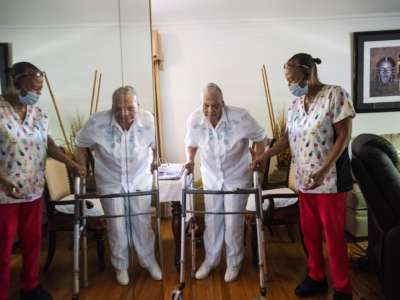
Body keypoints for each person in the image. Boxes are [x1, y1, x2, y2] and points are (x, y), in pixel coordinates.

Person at [252, 53, 355, 300]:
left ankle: (343, 288)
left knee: (333, 238)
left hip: (329, 181)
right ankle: (316, 277)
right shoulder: (295, 105)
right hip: (304, 182)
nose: (290, 85)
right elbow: (287, 139)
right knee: (309, 234)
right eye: (287, 81)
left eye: (292, 79)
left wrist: (323, 169)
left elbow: (344, 136)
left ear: (309, 73)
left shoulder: (335, 95)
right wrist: (264, 155)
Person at [0, 62, 85, 300]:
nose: (37, 93)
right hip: (4, 194)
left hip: (33, 190)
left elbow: (48, 145)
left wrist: (72, 163)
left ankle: (30, 286)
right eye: (33, 88)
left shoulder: (38, 114)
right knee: (3, 249)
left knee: (33, 241)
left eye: (40, 89)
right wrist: (3, 180)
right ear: (16, 83)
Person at [75, 86, 161, 285]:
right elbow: (80, 142)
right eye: (118, 108)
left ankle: (149, 262)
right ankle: (121, 266)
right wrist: (81, 166)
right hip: (110, 180)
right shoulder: (97, 121)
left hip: (140, 179)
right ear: (111, 107)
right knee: (116, 225)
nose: (124, 113)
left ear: (138, 106)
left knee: (142, 223)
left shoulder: (148, 120)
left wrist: (156, 158)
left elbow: (155, 145)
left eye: (130, 108)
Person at [185, 82, 267, 282]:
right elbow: (191, 144)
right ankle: (211, 260)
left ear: (223, 102)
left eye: (215, 105)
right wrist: (189, 160)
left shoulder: (241, 117)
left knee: (233, 223)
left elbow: (261, 136)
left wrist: (258, 157)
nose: (210, 110)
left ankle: (234, 262)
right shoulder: (195, 119)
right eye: (206, 105)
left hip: (237, 175)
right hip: (211, 177)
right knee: (212, 220)